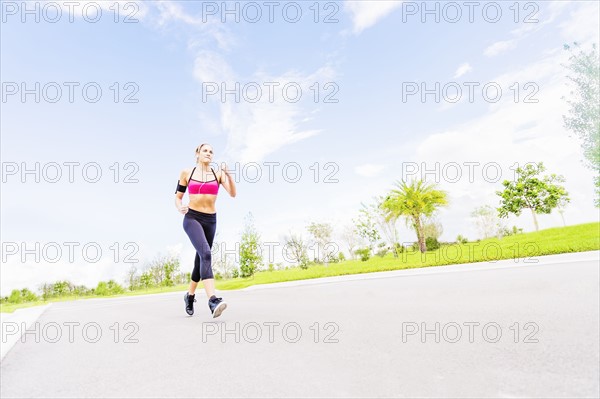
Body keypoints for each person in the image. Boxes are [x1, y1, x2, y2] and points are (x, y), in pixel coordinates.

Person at [175, 143, 236, 317]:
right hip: (192, 218)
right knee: (206, 254)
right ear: (197, 153)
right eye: (205, 151)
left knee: (200, 259)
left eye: (211, 151)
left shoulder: (218, 174)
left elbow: (233, 193)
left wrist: (229, 175)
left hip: (210, 220)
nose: (208, 153)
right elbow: (178, 197)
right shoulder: (188, 173)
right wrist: (179, 207)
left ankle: (190, 295)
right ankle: (213, 299)